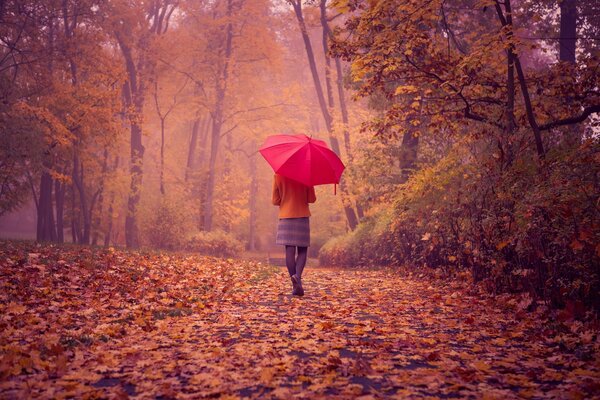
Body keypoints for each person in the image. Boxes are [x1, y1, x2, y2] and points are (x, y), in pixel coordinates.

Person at [272, 173, 316, 296]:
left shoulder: (278, 175)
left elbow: (275, 200)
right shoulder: (306, 175)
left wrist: (285, 198)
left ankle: (295, 284)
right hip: (302, 215)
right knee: (302, 250)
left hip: (286, 216)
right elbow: (311, 199)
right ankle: (298, 279)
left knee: (289, 250)